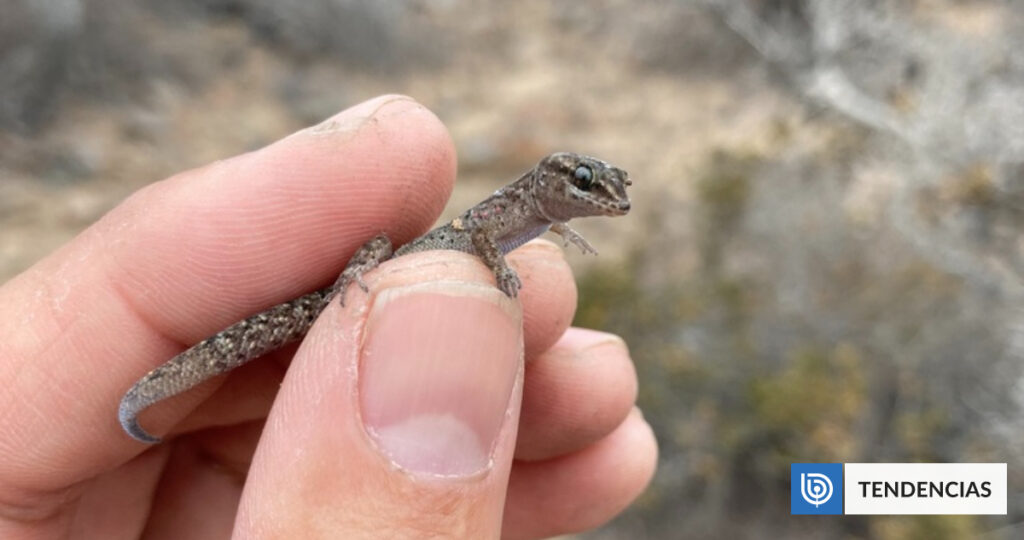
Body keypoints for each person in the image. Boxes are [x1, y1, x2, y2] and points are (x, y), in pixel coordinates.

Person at [0, 95, 656, 538]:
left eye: (601, 190)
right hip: (388, 278)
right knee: (342, 278)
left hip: (401, 287)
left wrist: (557, 231)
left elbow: (517, 229)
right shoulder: (514, 207)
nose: (602, 201)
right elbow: (483, 233)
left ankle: (154, 397)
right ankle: (156, 392)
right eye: (586, 189)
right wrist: (494, 269)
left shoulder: (539, 212)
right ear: (551, 180)